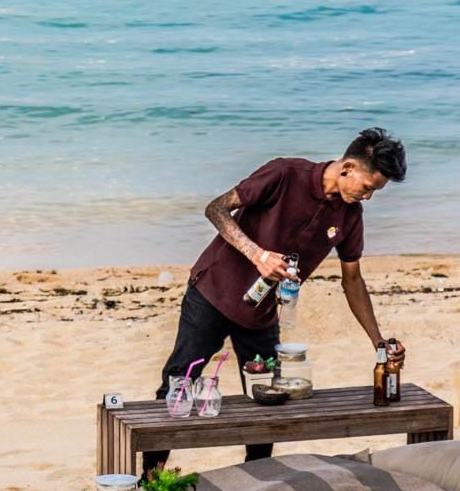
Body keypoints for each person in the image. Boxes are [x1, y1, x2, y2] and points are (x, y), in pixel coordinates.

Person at [143, 127, 407, 471]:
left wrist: (379, 343)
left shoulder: (349, 215)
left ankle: (256, 477)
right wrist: (258, 254)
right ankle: (150, 482)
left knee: (268, 401)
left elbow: (353, 281)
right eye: (368, 187)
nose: (368, 197)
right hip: (212, 292)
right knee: (178, 385)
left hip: (262, 313)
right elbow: (216, 209)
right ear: (347, 169)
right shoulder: (285, 174)